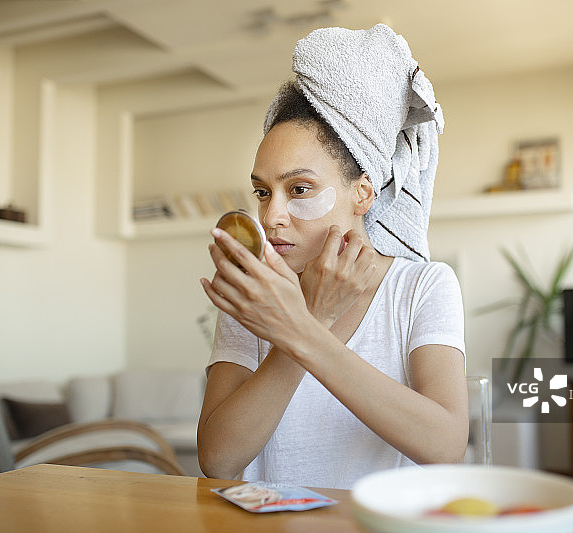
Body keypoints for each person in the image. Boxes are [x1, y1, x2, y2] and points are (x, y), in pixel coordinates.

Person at [198, 24, 468, 490]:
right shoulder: (253, 298)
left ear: (362, 193)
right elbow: (218, 459)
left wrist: (304, 329)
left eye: (299, 189)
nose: (271, 216)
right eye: (263, 192)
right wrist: (309, 321)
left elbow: (444, 445)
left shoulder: (422, 288)